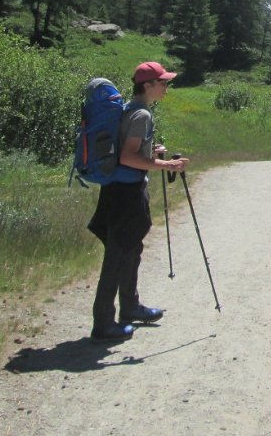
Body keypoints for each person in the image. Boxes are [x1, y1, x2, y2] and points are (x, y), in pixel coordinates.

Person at [88, 61, 190, 343]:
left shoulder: (131, 110)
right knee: (117, 255)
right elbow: (128, 157)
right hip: (126, 194)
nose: (167, 87)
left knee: (130, 250)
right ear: (148, 86)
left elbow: (128, 149)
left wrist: (151, 152)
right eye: (163, 82)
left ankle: (130, 307)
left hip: (118, 190)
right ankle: (104, 323)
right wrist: (166, 164)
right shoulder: (141, 115)